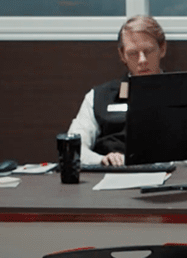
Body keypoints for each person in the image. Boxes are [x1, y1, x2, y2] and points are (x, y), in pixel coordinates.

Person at [66, 15, 167, 167]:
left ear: (162, 49)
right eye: (133, 53)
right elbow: (74, 147)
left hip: (171, 178)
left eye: (148, 51)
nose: (142, 60)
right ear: (122, 55)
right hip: (114, 175)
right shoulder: (98, 97)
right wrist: (101, 160)